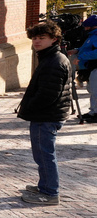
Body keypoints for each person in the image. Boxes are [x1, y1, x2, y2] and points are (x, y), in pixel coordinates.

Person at [17, 21, 73, 205]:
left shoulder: (54, 61)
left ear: (54, 39)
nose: (37, 41)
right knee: (41, 154)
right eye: (34, 38)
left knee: (44, 154)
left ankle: (50, 193)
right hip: (46, 115)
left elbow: (48, 95)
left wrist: (29, 107)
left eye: (42, 38)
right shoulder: (49, 58)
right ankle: (45, 186)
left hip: (47, 116)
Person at [74, 14, 97, 123]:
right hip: (91, 68)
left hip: (96, 67)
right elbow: (87, 48)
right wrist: (77, 51)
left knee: (96, 90)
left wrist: (81, 57)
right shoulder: (92, 36)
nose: (85, 29)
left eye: (87, 26)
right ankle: (93, 111)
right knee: (92, 90)